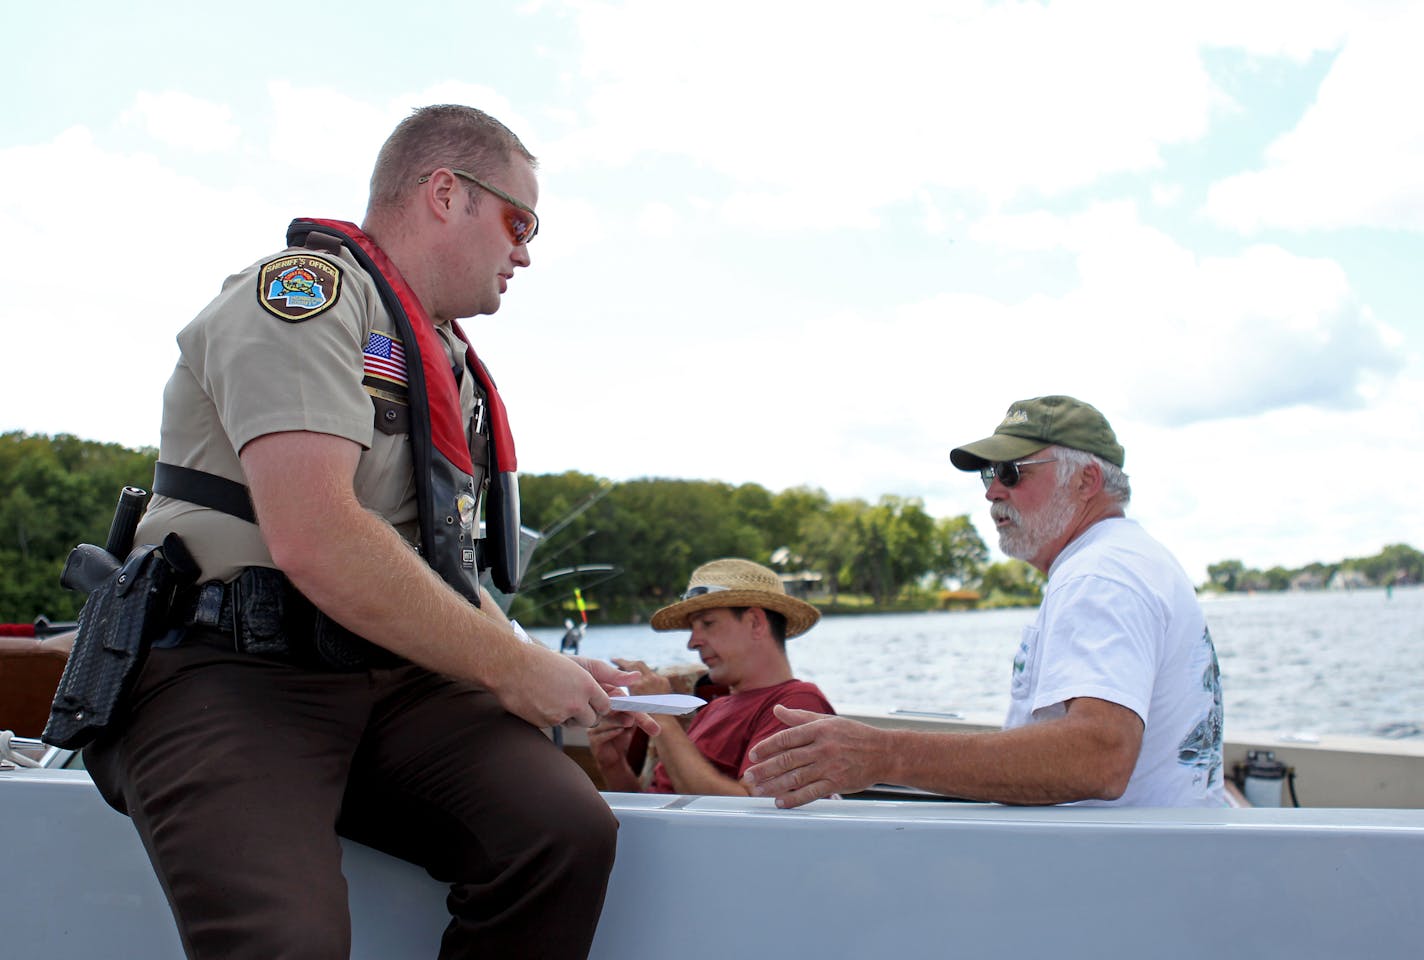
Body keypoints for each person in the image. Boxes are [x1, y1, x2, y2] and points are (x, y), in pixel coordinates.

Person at [83, 104, 655, 960]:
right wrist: (507, 667)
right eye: (519, 220)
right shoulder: (307, 296)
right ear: (444, 193)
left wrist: (542, 661)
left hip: (392, 680)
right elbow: (316, 535)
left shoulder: (442, 360)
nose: (527, 251)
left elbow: (429, 568)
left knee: (562, 835)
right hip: (227, 670)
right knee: (288, 943)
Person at [744, 396, 1224, 808]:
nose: (993, 491)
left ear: (1086, 481)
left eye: (1013, 472)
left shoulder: (1100, 575)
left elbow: (1100, 756)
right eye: (990, 475)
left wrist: (883, 756)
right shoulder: (1126, 558)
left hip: (1119, 884)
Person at [589, 558, 834, 795]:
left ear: (756, 623)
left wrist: (660, 712)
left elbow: (751, 818)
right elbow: (658, 809)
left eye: (707, 623)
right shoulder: (711, 708)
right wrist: (613, 765)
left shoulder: (798, 705)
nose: (692, 642)